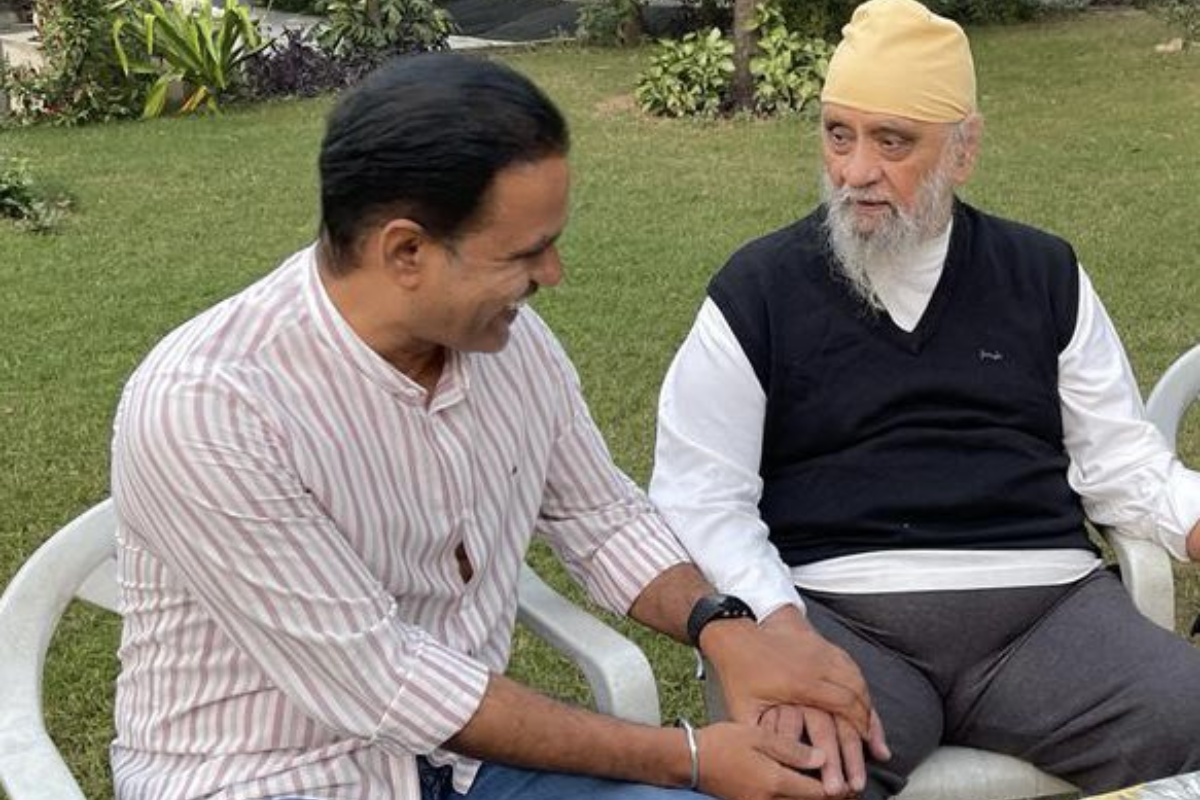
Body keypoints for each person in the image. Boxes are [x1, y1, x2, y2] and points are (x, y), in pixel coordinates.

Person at [109, 53, 885, 800]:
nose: (554, 275)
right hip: (265, 778)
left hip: (471, 769)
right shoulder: (206, 408)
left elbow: (601, 517)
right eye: (528, 251)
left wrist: (729, 632)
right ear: (406, 251)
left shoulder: (507, 347)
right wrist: (685, 757)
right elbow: (386, 683)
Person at [649, 1, 1200, 798]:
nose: (856, 171)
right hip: (839, 621)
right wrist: (778, 621)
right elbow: (699, 492)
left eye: (892, 141)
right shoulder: (758, 290)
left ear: (964, 149)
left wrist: (1188, 518)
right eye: (839, 135)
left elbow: (1121, 462)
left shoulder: (1042, 274)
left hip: (1046, 615)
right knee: (797, 781)